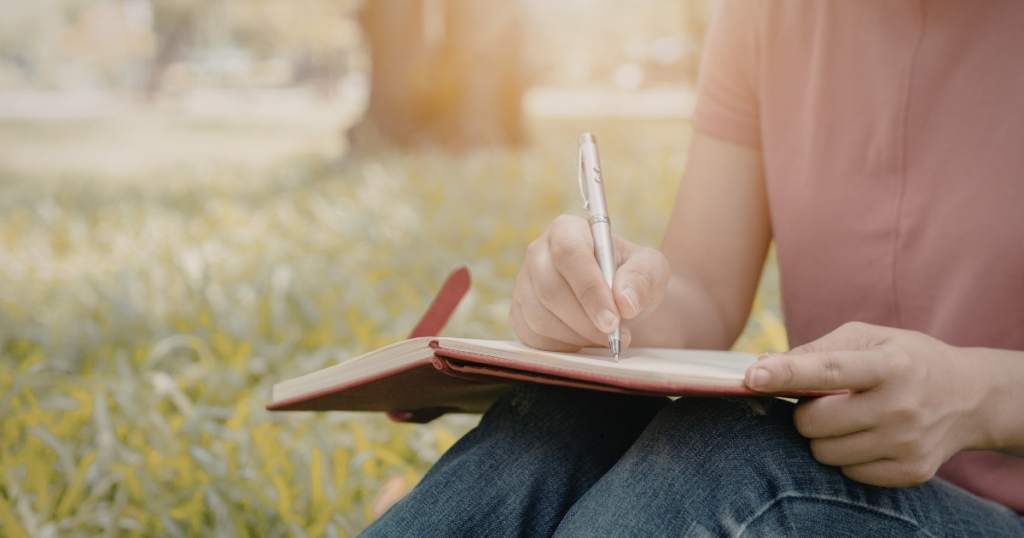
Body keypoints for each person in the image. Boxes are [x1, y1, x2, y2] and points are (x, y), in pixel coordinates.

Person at [362, 2, 1024, 535]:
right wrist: (613, 303)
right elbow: (705, 287)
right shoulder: (765, 14)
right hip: (834, 460)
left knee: (736, 462)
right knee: (563, 418)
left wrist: (977, 398)